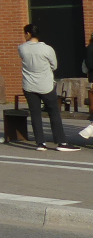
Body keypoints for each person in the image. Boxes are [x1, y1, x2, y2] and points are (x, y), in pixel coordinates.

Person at [18, 23, 79, 151]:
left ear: (28, 34)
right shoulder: (47, 49)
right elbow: (54, 65)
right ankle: (61, 142)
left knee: (35, 114)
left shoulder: (22, 48)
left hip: (29, 85)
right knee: (54, 113)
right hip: (45, 85)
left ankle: (40, 143)